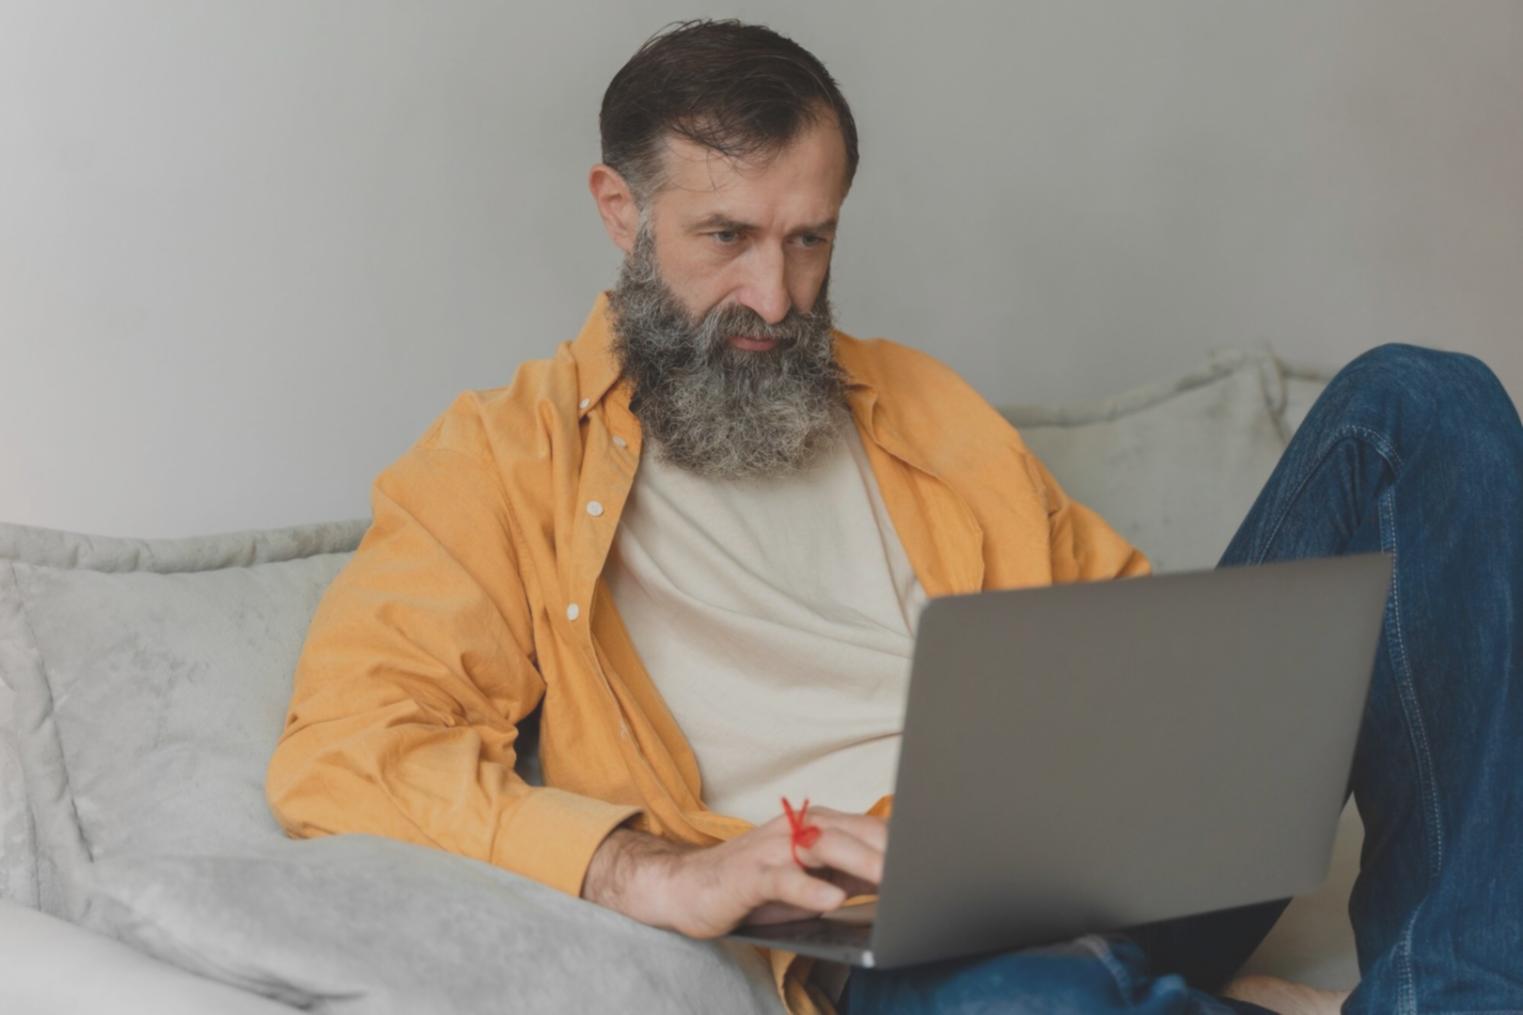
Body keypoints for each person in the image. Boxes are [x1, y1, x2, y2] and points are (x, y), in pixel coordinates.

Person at [264, 18, 1523, 1015]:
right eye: (726, 236)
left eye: (810, 240)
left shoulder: (921, 406)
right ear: (619, 211)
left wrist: (1150, 786)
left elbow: (1138, 645)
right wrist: (644, 868)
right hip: (886, 929)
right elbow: (345, 746)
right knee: (1025, 1006)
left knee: (1419, 398)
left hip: (1100, 855)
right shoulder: (502, 458)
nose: (772, 292)